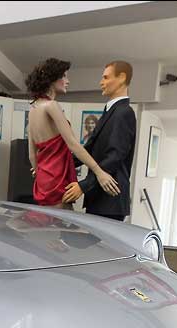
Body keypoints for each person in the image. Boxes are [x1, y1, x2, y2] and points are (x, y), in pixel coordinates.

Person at [26, 57, 117, 211]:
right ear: (51, 79)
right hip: (56, 178)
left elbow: (31, 155)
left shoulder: (34, 109)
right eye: (64, 76)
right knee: (61, 228)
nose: (67, 81)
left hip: (44, 179)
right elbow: (73, 145)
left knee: (49, 227)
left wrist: (40, 173)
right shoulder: (51, 106)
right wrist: (99, 172)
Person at [63, 60, 136, 221]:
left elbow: (115, 156)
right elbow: (87, 150)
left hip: (110, 199)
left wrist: (83, 186)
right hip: (100, 197)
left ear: (122, 77)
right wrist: (53, 164)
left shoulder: (124, 112)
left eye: (106, 77)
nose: (101, 82)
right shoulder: (111, 111)